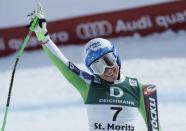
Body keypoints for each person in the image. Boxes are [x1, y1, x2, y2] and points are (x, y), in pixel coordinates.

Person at [27, 6, 162, 131]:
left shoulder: (140, 89)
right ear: (92, 71)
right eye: (98, 67)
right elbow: (64, 64)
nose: (107, 70)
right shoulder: (88, 85)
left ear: (116, 56)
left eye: (108, 61)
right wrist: (43, 36)